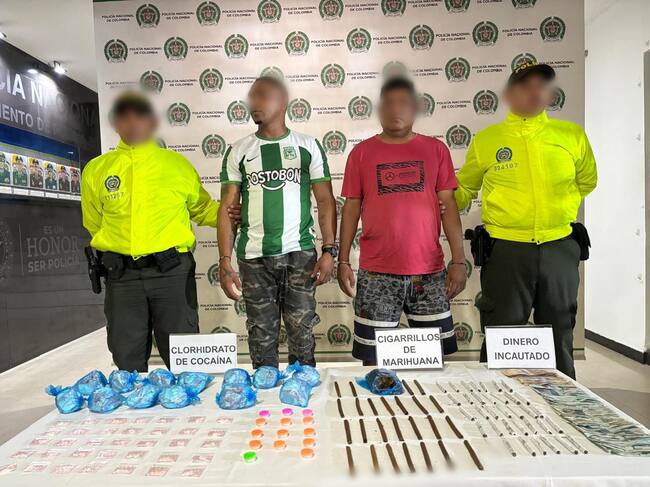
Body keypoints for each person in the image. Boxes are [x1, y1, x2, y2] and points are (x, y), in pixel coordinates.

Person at [454, 63, 597, 379]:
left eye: (541, 86)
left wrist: (555, 207)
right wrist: (439, 198)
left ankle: (562, 399)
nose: (534, 92)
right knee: (502, 333)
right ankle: (496, 398)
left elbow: (587, 181)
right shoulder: (488, 140)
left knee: (560, 328)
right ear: (509, 94)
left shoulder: (571, 135)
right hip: (506, 251)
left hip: (559, 246)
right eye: (525, 86)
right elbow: (464, 189)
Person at [81, 91, 239, 371]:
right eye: (124, 118)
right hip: (122, 277)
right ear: (115, 123)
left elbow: (202, 209)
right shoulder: (97, 169)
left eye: (139, 117)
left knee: (183, 358)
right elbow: (93, 222)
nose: (132, 124)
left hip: (172, 273)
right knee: (126, 357)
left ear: (152, 122)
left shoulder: (177, 165)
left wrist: (232, 215)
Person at [337, 77, 466, 365]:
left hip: (428, 272)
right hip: (377, 273)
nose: (396, 109)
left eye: (403, 103)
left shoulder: (436, 150)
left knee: (432, 360)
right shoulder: (361, 153)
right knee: (374, 361)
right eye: (389, 103)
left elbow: (448, 207)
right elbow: (351, 209)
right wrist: (342, 260)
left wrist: (458, 261)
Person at [218, 76, 337, 369]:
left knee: (301, 329)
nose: (254, 103)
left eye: (262, 95)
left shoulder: (307, 146)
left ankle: (302, 386)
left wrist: (329, 251)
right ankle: (264, 389)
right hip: (254, 257)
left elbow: (325, 201)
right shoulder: (239, 150)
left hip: (300, 254)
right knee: (261, 333)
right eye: (251, 97)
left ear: (283, 102)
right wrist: (224, 260)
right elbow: (227, 208)